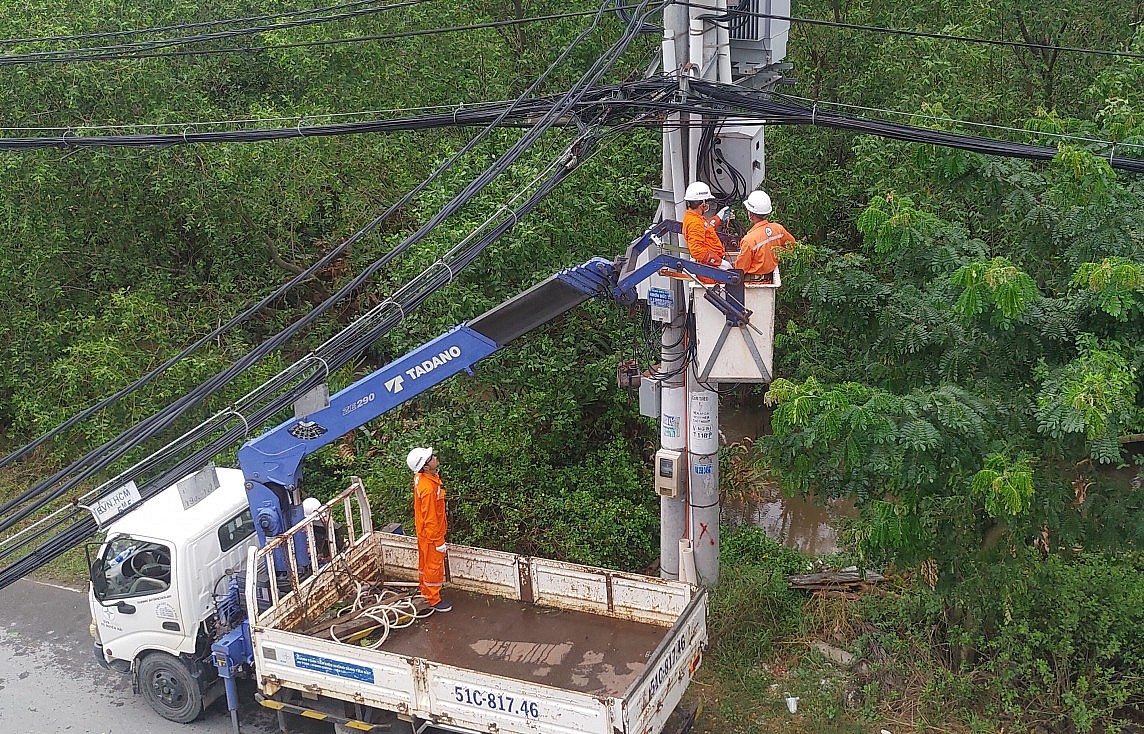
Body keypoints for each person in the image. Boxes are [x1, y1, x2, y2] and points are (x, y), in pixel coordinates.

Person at [407, 446, 452, 613]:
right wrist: (438, 541)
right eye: (431, 458)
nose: (435, 458)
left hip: (425, 532)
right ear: (425, 467)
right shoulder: (428, 488)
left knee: (425, 564)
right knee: (433, 566)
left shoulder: (424, 478)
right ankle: (433, 599)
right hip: (431, 534)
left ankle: (426, 591)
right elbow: (431, 517)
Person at [733, 189, 796, 278]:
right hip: (769, 277)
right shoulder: (778, 229)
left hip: (753, 282)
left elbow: (740, 270)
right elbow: (792, 246)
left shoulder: (749, 240)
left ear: (750, 214)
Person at [681, 181, 734, 268]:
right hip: (710, 268)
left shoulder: (694, 218)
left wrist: (718, 218)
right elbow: (697, 250)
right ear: (703, 203)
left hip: (710, 264)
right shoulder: (695, 223)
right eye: (708, 201)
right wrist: (719, 263)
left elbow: (705, 229)